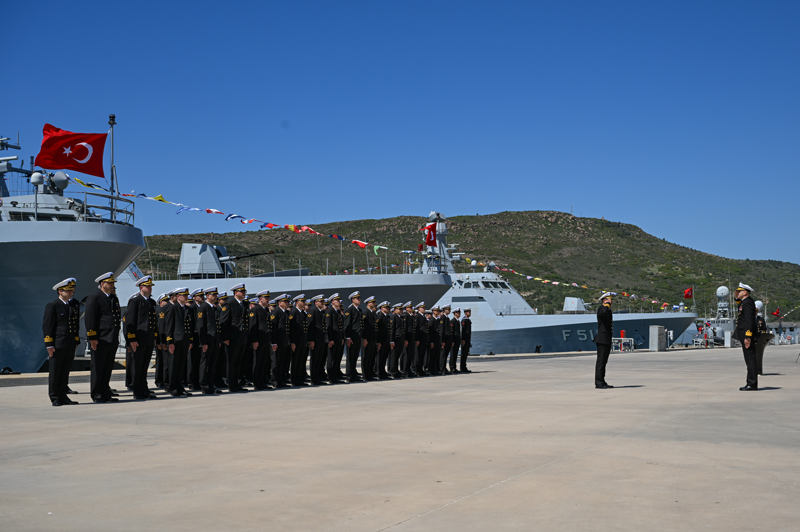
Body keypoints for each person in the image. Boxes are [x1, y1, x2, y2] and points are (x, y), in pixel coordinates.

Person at [84, 272, 122, 403]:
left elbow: (116, 318)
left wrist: (116, 337)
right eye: (109, 283)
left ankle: (105, 392)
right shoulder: (95, 297)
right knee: (98, 367)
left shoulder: (113, 298)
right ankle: (96, 393)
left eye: (112, 283)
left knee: (107, 367)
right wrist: (92, 338)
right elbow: (90, 319)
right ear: (102, 284)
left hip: (112, 338)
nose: (112, 285)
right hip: (100, 338)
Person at [43, 278, 80, 406]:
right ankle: (54, 397)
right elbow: (48, 326)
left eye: (72, 290)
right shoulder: (53, 306)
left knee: (65, 371)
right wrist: (49, 344)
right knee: (55, 372)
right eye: (68, 290)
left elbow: (75, 325)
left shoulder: (73, 305)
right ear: (60, 291)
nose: (71, 292)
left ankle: (63, 396)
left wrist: (76, 341)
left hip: (69, 343)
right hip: (58, 344)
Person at [125, 276, 158, 400]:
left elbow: (153, 322)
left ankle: (144, 389)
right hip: (138, 339)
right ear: (141, 287)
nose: (150, 288)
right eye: (147, 286)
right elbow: (130, 321)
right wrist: (132, 339)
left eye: (150, 286)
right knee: (137, 366)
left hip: (148, 338)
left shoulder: (152, 302)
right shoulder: (135, 301)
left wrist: (154, 337)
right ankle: (137, 390)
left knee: (144, 367)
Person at [166, 288, 194, 397]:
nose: (186, 297)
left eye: (187, 295)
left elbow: (190, 326)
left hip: (185, 340)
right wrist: (170, 342)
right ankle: (172, 387)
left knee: (181, 365)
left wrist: (190, 340)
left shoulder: (187, 309)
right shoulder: (173, 308)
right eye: (184, 295)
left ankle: (180, 386)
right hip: (176, 340)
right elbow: (169, 326)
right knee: (173, 365)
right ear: (178, 297)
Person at [223, 283, 250, 393]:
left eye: (244, 291)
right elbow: (224, 321)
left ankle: (236, 383)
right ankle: (231, 384)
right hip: (232, 338)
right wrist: (225, 337)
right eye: (241, 291)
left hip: (242, 337)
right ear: (235, 293)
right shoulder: (230, 303)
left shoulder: (244, 304)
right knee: (231, 362)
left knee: (238, 362)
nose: (244, 293)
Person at [196, 287, 222, 394]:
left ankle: (211, 384)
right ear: (208, 296)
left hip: (214, 340)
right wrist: (203, 342)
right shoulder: (203, 308)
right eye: (213, 295)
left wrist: (218, 340)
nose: (216, 297)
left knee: (212, 364)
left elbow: (216, 326)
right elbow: (201, 327)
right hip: (207, 340)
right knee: (205, 363)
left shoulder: (213, 308)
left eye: (216, 295)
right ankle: (204, 385)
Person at [732, 283, 758, 391]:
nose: (737, 293)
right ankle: (750, 383)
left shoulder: (747, 303)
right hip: (744, 334)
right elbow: (739, 304)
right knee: (749, 360)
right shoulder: (745, 302)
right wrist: (736, 296)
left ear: (745, 292)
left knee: (750, 360)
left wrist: (748, 336)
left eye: (739, 291)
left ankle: (752, 384)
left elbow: (749, 321)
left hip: (747, 335)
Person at [249, 290, 272, 390]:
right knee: (257, 362)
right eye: (266, 298)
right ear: (260, 299)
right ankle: (257, 382)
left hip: (265, 340)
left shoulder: (265, 310)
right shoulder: (255, 310)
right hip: (258, 340)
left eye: (268, 298)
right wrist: (254, 340)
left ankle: (262, 381)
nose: (268, 300)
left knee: (263, 362)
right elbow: (252, 326)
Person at [593, 292, 614, 389]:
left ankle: (602, 381)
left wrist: (607, 306)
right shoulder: (601, 309)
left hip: (606, 339)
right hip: (602, 339)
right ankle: (598, 382)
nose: (611, 302)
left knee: (604, 362)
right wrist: (606, 305)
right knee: (601, 362)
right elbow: (603, 313)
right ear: (604, 300)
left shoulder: (607, 310)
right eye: (609, 300)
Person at [270, 294, 291, 388]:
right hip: (277, 342)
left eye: (287, 302)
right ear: (280, 303)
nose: (287, 303)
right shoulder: (276, 313)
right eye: (285, 302)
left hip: (284, 342)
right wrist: (273, 342)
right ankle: (275, 381)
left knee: (282, 363)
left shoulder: (285, 313)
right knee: (276, 363)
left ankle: (281, 380)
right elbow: (273, 329)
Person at [289, 294, 310, 386]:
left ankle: (300, 379)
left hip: (302, 342)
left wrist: (305, 341)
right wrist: (292, 342)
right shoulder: (294, 312)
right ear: (298, 302)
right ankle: (294, 380)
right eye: (303, 301)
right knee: (295, 361)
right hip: (296, 342)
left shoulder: (302, 313)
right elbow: (292, 329)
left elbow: (305, 329)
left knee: (301, 361)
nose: (304, 303)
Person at [307, 295, 328, 385]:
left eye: (323, 301)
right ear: (316, 302)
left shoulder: (321, 312)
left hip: (321, 340)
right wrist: (311, 340)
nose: (322, 303)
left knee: (319, 360)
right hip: (315, 341)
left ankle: (318, 377)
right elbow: (310, 327)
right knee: (315, 360)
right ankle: (314, 379)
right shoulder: (313, 311)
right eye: (321, 301)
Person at [324, 294, 345, 383]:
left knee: (337, 358)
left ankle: (336, 376)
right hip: (333, 339)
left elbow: (340, 327)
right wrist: (330, 339)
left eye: (339, 300)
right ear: (332, 302)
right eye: (337, 300)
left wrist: (342, 338)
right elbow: (328, 326)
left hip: (338, 339)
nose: (339, 302)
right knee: (331, 358)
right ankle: (331, 377)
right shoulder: (330, 312)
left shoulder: (337, 312)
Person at [187, 289, 205, 391]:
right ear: (195, 298)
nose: (202, 298)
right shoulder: (192, 308)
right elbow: (190, 324)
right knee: (193, 361)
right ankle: (192, 382)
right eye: (200, 296)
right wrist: (191, 339)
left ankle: (199, 381)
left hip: (201, 337)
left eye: (202, 296)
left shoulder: (202, 308)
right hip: (194, 337)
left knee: (200, 361)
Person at [344, 291, 363, 382]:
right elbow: (347, 325)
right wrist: (348, 337)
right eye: (357, 298)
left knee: (355, 357)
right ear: (353, 300)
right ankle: (349, 375)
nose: (359, 300)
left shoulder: (359, 310)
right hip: (352, 337)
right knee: (350, 357)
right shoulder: (349, 310)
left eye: (359, 298)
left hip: (358, 337)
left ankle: (354, 374)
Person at [154, 293, 170, 389]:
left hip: (167, 340)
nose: (167, 302)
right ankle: (159, 381)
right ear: (160, 303)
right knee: (160, 362)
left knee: (167, 363)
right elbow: (159, 328)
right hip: (161, 341)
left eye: (168, 301)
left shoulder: (169, 311)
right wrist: (160, 342)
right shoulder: (160, 312)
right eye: (165, 301)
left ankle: (166, 380)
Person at [214, 292, 230, 390]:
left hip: (223, 339)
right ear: (219, 300)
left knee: (222, 361)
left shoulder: (225, 309)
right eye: (223, 299)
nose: (225, 301)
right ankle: (216, 380)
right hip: (218, 338)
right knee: (217, 361)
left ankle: (220, 380)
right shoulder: (217, 309)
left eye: (226, 299)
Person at [361, 296, 378, 381]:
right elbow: (363, 327)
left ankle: (370, 374)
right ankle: (365, 375)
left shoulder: (372, 314)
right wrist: (364, 338)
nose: (374, 304)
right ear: (368, 303)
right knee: (366, 357)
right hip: (367, 339)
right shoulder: (366, 313)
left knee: (371, 357)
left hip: (372, 339)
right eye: (373, 302)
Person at [389, 303, 406, 379]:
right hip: (395, 339)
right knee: (394, 356)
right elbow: (392, 330)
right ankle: (393, 371)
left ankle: (396, 370)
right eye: (400, 309)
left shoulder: (400, 318)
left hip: (400, 340)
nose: (401, 310)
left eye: (402, 309)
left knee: (397, 356)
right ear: (395, 309)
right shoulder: (393, 318)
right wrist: (391, 341)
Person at [376, 301, 391, 379]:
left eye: (388, 307)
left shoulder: (387, 317)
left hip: (386, 340)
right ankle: (379, 372)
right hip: (381, 340)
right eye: (386, 307)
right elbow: (378, 331)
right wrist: (378, 341)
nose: (388, 309)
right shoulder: (380, 317)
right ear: (382, 308)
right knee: (380, 357)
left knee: (384, 357)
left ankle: (383, 371)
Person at [402, 302, 417, 378]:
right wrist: (405, 339)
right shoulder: (406, 316)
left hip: (411, 339)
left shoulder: (411, 317)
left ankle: (408, 370)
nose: (411, 308)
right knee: (406, 356)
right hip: (408, 339)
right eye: (410, 307)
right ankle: (405, 371)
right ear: (406, 308)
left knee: (410, 355)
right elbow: (405, 329)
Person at [413, 303, 428, 377]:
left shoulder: (423, 317)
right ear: (419, 309)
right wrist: (417, 339)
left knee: (422, 355)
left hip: (424, 339)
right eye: (422, 308)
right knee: (418, 355)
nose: (424, 309)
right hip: (420, 339)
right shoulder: (417, 317)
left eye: (424, 307)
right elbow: (416, 329)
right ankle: (416, 370)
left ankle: (421, 369)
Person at [428, 306, 442, 376]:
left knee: (437, 356)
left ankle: (436, 369)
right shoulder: (432, 320)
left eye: (438, 311)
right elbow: (431, 332)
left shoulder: (437, 320)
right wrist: (431, 341)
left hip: (438, 340)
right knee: (432, 356)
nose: (438, 312)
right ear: (433, 311)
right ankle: (431, 370)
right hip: (434, 341)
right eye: (436, 311)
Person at [440, 305, 452, 375]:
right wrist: (442, 341)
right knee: (443, 355)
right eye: (448, 309)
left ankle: (444, 368)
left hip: (448, 340)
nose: (449, 310)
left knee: (446, 355)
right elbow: (442, 330)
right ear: (444, 310)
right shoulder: (443, 318)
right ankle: (442, 369)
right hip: (445, 340)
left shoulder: (447, 318)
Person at [449, 307, 462, 374]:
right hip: (454, 341)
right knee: (453, 354)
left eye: (459, 312)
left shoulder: (458, 321)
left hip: (457, 340)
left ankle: (454, 367)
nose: (459, 314)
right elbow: (451, 332)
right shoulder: (453, 321)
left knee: (455, 354)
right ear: (455, 313)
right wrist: (452, 341)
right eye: (458, 313)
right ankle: (452, 367)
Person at [460, 308, 472, 373]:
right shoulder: (464, 320)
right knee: (463, 354)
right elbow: (463, 331)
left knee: (466, 354)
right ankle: (462, 368)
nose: (470, 313)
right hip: (465, 340)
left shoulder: (468, 320)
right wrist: (463, 339)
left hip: (467, 339)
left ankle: (464, 367)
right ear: (465, 313)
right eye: (469, 312)